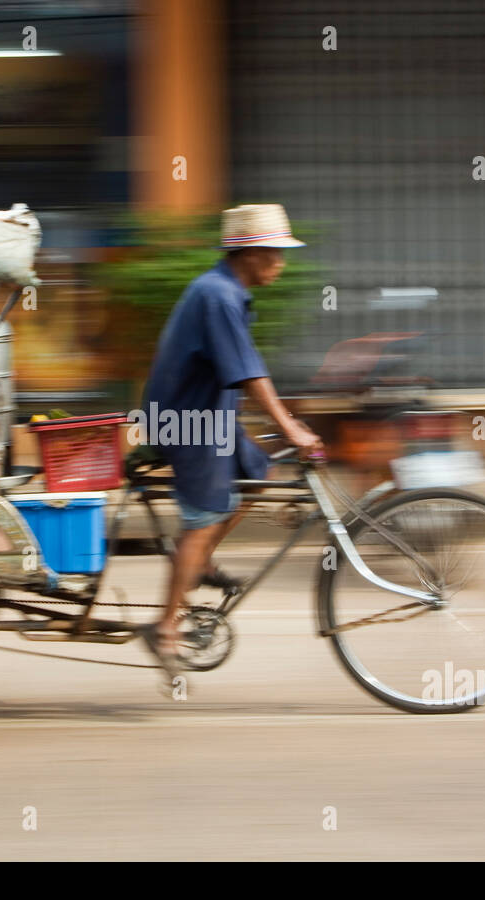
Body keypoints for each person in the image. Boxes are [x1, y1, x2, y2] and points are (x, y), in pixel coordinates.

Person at [139, 204, 323, 680]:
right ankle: (165, 629)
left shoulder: (226, 291)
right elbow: (249, 375)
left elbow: (246, 365)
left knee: (258, 473)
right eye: (275, 253)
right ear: (249, 253)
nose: (281, 262)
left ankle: (197, 564)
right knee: (201, 521)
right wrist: (292, 429)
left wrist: (283, 429)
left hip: (211, 416)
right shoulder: (217, 295)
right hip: (185, 423)